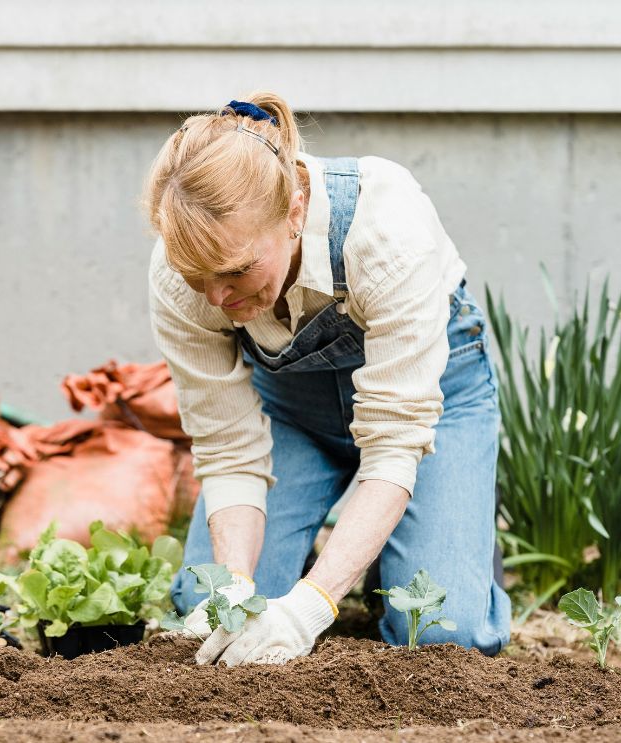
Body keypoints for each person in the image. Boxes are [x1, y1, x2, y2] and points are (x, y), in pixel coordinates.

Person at [143, 91, 511, 666]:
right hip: (294, 415)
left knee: (443, 632)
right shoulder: (179, 275)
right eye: (198, 276)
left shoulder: (385, 231)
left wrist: (308, 609)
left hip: (432, 409)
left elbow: (393, 446)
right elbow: (228, 451)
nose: (216, 298)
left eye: (236, 270)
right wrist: (236, 590)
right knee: (209, 608)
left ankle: (429, 540)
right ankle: (356, 549)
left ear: (294, 212)